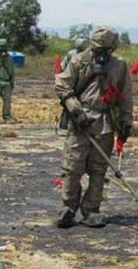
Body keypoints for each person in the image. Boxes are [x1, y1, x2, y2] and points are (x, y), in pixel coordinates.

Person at [55, 28, 133, 228]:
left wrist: (126, 122)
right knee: (73, 168)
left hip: (105, 123)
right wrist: (76, 110)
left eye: (106, 49)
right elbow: (62, 85)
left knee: (99, 170)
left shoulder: (119, 65)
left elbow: (126, 96)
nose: (101, 53)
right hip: (80, 122)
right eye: (98, 48)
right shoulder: (78, 61)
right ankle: (68, 208)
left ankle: (91, 210)